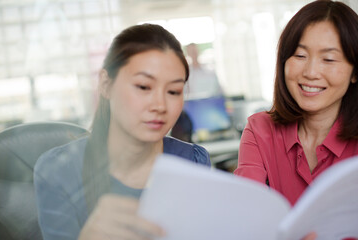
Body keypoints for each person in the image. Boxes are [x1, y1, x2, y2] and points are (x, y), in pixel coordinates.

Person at [34, 23, 210, 240]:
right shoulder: (59, 170)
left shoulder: (192, 161)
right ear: (106, 85)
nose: (160, 105)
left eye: (173, 91)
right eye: (144, 87)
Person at [235, 0, 358, 238]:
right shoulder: (259, 130)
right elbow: (245, 220)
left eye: (329, 59)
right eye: (300, 55)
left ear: (355, 73)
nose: (310, 72)